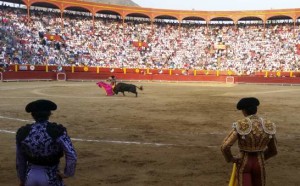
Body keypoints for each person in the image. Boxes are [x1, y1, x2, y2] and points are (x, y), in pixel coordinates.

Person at [16, 99, 77, 186]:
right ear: (49, 114)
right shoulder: (56, 131)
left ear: (33, 115)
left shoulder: (22, 132)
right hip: (51, 176)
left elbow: (20, 160)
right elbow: (71, 155)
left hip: (30, 176)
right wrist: (67, 173)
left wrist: (22, 179)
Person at [221, 97, 277, 186]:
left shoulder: (241, 124)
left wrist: (231, 159)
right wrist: (262, 157)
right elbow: (273, 151)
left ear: (244, 111)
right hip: (259, 162)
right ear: (256, 109)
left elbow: (225, 146)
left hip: (244, 162)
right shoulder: (268, 125)